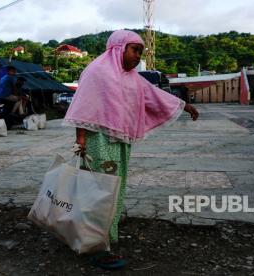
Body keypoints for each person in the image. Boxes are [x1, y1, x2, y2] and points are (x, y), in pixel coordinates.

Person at [63, 30, 199, 269]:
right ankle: (96, 248)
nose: (138, 56)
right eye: (135, 49)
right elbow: (83, 107)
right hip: (99, 141)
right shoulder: (97, 72)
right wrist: (81, 139)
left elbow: (153, 95)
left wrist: (183, 105)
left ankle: (102, 237)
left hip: (120, 142)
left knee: (113, 190)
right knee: (98, 192)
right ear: (119, 47)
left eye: (141, 51)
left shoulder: (131, 77)